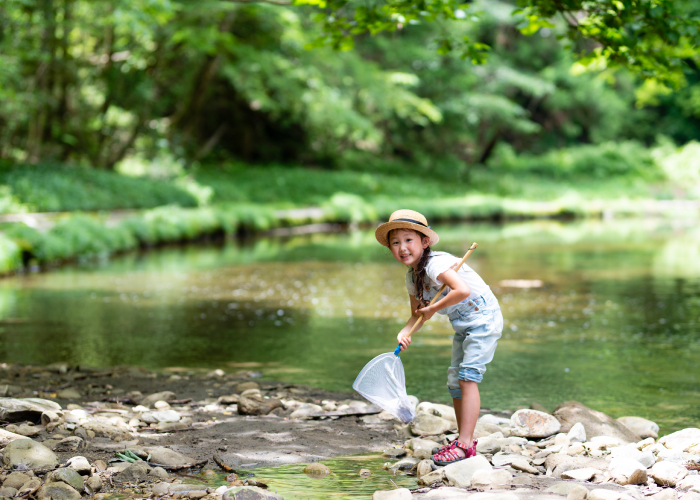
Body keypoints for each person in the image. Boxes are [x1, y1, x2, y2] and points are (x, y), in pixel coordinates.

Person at [374, 209, 503, 465]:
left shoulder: (436, 264)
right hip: (463, 323)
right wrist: (404, 331)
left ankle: (465, 445)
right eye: (395, 243)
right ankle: (461, 439)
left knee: (468, 377)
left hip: (484, 317)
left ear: (424, 242)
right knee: (454, 381)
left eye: (408, 240)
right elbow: (417, 315)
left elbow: (462, 290)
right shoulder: (413, 277)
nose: (402, 248)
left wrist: (433, 308)